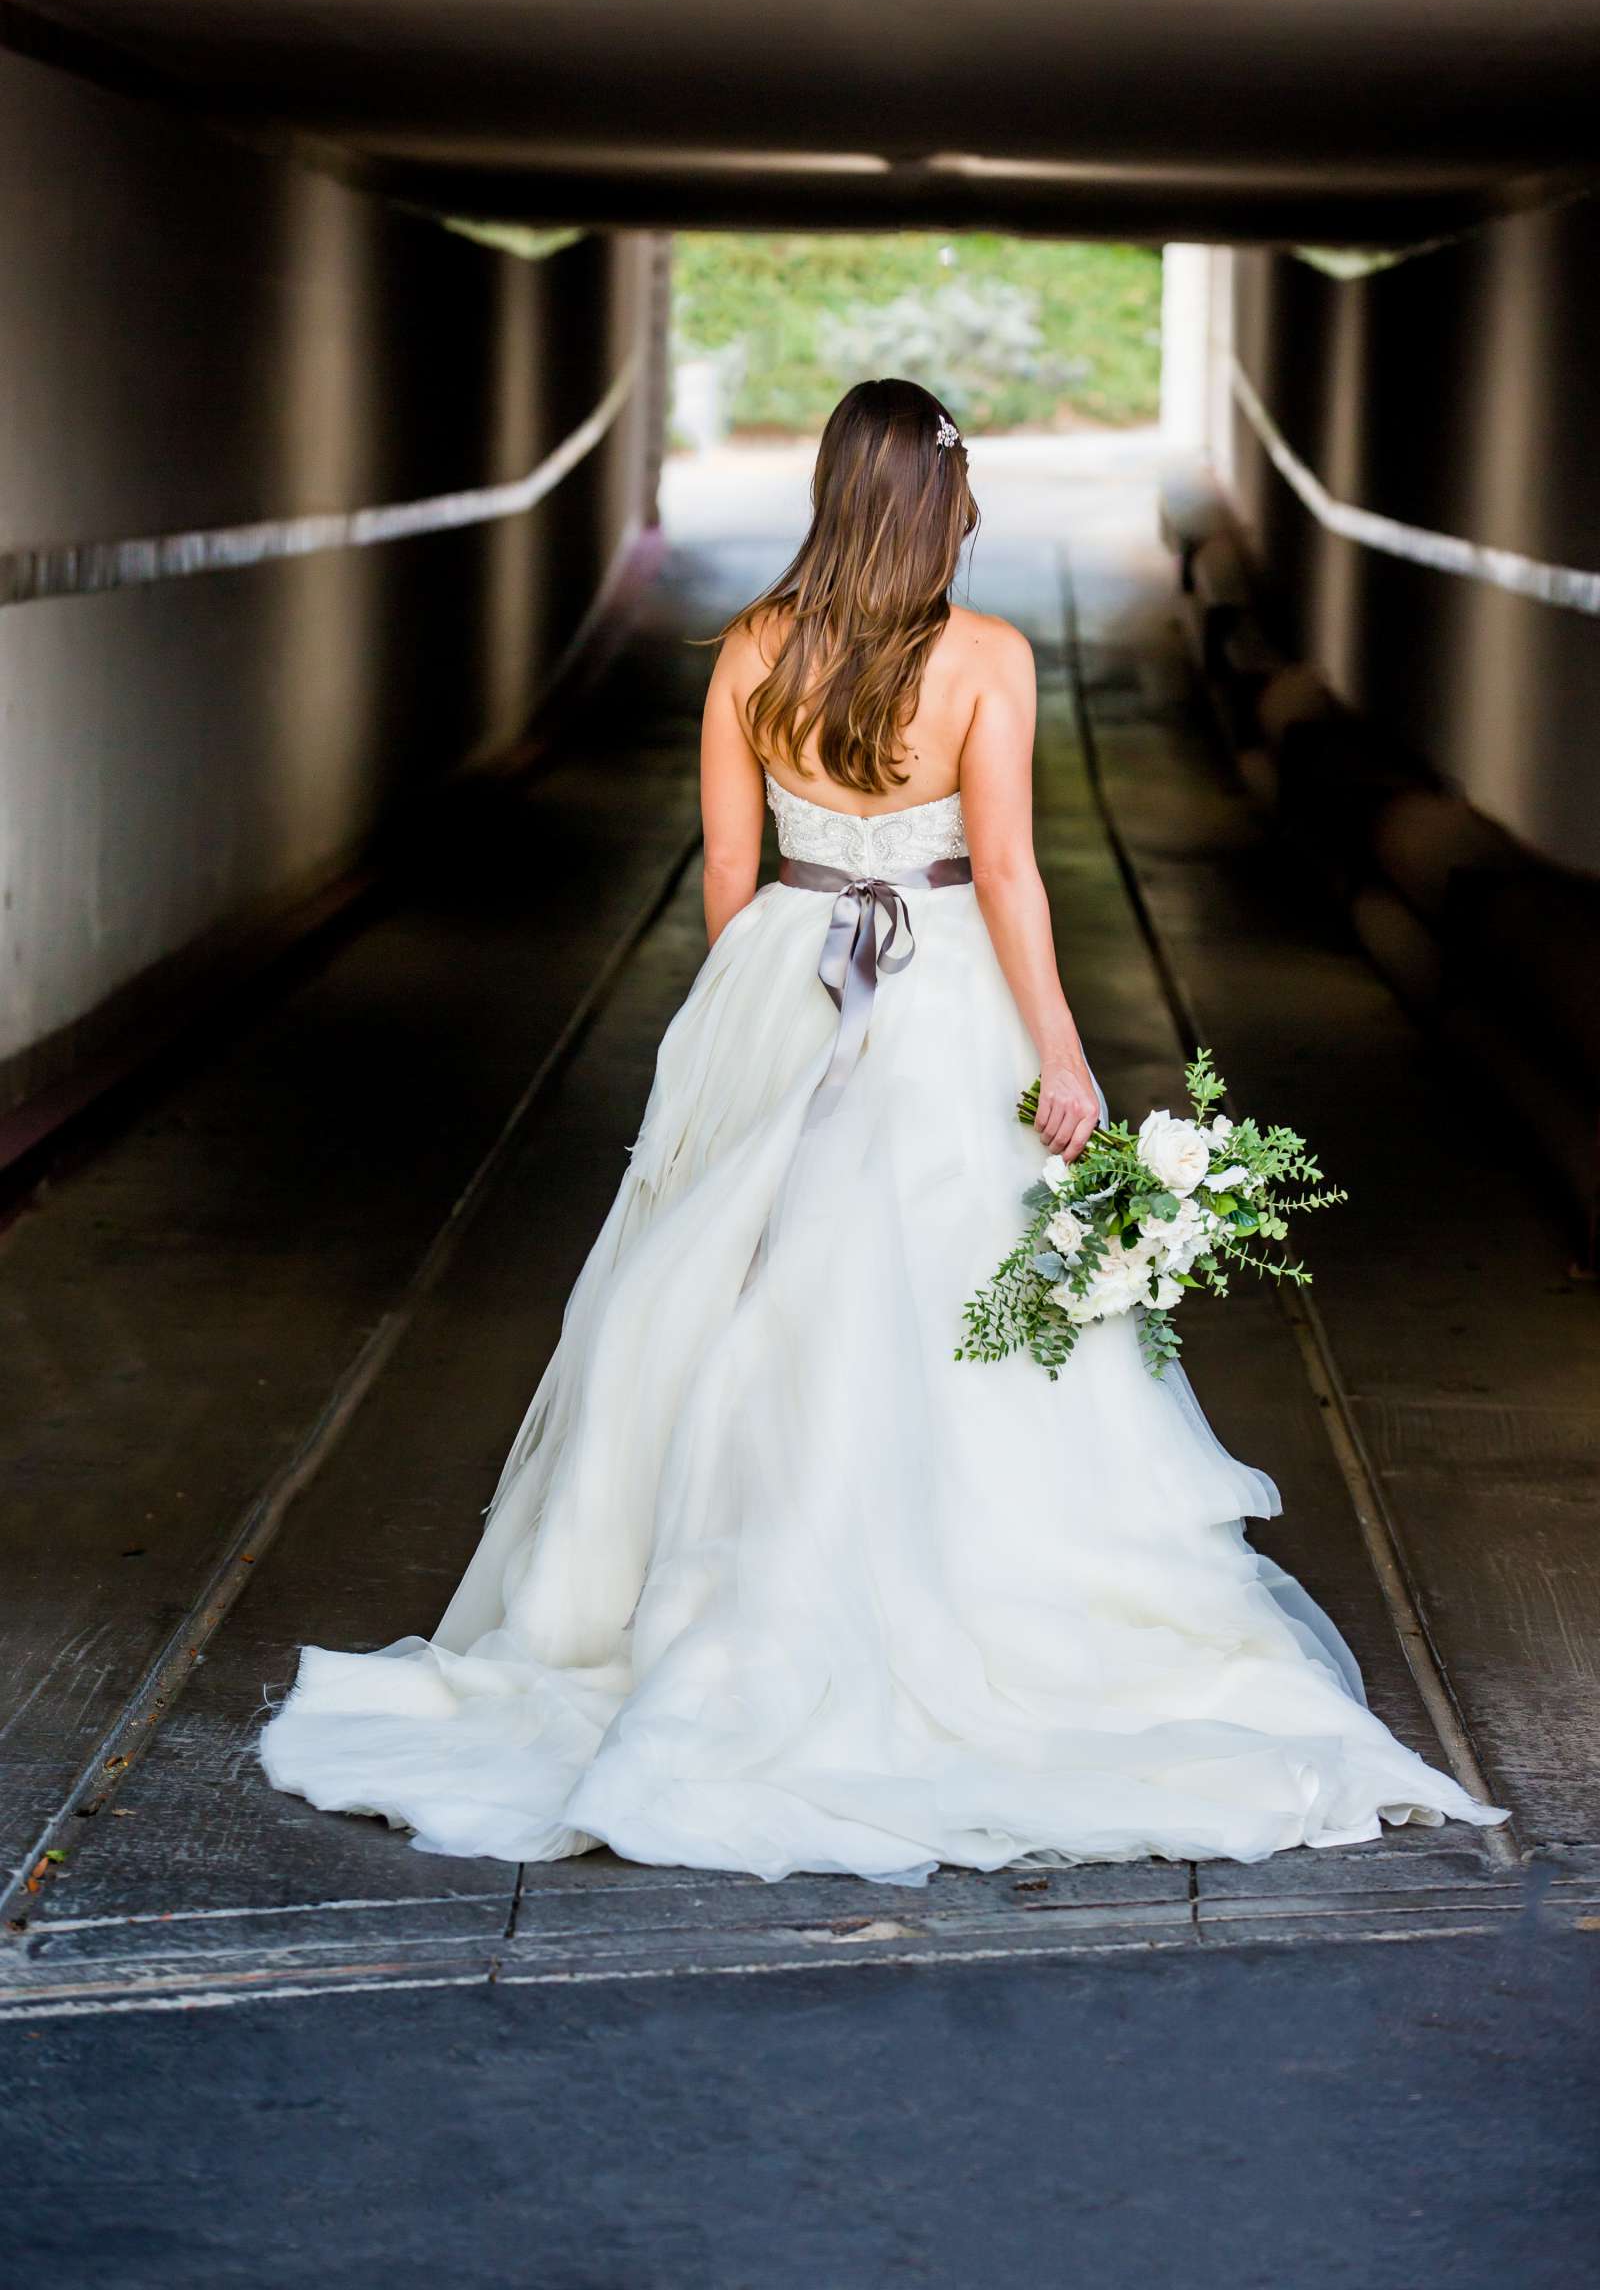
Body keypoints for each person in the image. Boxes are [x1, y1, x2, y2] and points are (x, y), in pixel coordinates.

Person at [261, 378, 1505, 1882]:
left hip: (785, 975)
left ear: (835, 494)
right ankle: (951, 1593)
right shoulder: (987, 657)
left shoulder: (750, 651)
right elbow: (1008, 875)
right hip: (942, 995)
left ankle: (699, 1598)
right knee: (944, 1282)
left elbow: (728, 875)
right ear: (942, 503)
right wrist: (1062, 1052)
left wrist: (755, 1027)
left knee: (750, 1291)